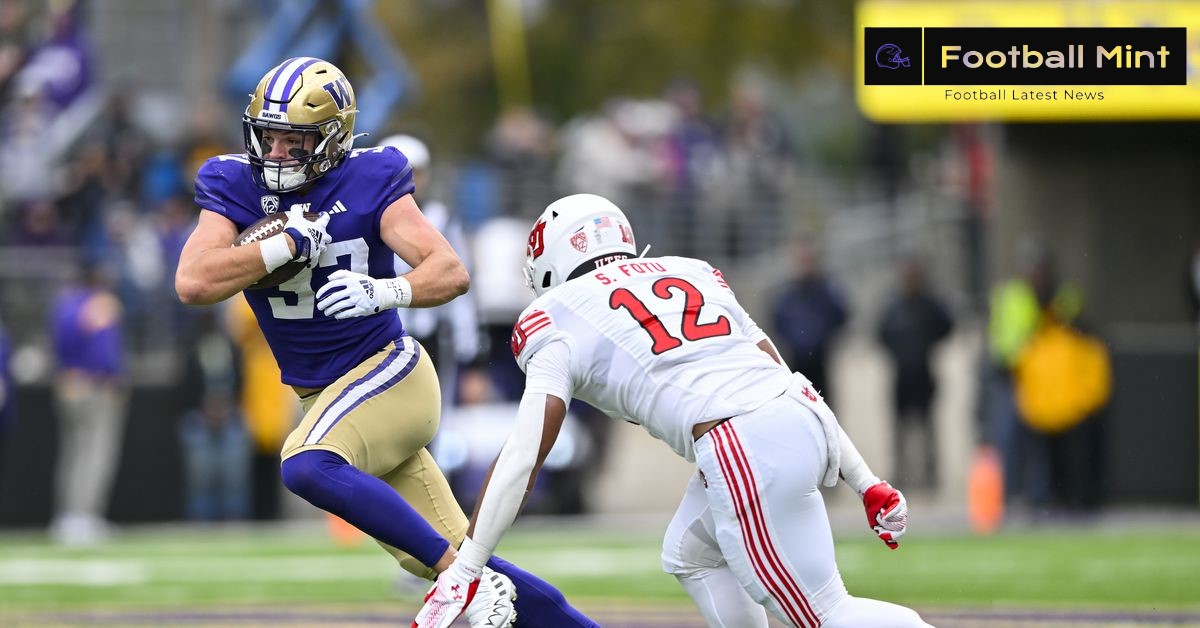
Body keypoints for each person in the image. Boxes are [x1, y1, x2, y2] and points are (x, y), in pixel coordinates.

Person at [174, 57, 597, 628]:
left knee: (305, 464)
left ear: (331, 138)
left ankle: (457, 585)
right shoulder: (231, 183)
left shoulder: (370, 177)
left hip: (388, 374)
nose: (274, 154)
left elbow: (449, 271)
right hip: (323, 396)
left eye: (292, 142)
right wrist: (277, 248)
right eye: (266, 137)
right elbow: (194, 282)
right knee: (476, 564)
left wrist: (385, 290)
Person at [415, 194, 932, 628]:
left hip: (743, 444)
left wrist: (465, 569)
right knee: (691, 552)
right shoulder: (694, 271)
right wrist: (865, 480)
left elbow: (525, 455)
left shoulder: (557, 311)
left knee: (825, 614)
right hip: (799, 419)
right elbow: (784, 375)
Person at [49, 261, 127, 546]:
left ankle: (69, 515)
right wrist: (110, 377)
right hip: (94, 386)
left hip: (69, 383)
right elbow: (105, 350)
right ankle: (84, 515)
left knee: (72, 454)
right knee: (96, 454)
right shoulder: (100, 303)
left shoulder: (63, 304)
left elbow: (58, 346)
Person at [877, 258, 953, 491]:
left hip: (924, 374)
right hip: (901, 376)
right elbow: (880, 333)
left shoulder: (930, 305)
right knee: (900, 430)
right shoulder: (894, 305)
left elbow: (947, 325)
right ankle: (902, 475)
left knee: (927, 427)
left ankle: (930, 477)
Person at [771, 237, 849, 406]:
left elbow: (842, 315)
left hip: (821, 360)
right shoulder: (788, 293)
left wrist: (824, 338)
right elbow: (778, 322)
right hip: (795, 362)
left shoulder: (827, 289)